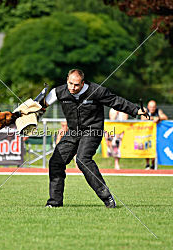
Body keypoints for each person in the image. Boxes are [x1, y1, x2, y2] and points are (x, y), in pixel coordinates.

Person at [40, 69, 147, 208]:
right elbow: (40, 105)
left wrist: (135, 110)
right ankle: (54, 203)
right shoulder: (58, 92)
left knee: (83, 160)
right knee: (56, 162)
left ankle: (106, 196)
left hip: (93, 130)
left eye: (76, 85)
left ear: (82, 83)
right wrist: (23, 114)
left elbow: (116, 101)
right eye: (70, 83)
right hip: (73, 131)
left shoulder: (96, 91)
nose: (72, 87)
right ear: (67, 80)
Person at [141, 100, 168, 170]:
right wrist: (153, 118)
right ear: (148, 107)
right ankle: (147, 164)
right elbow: (143, 118)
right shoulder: (145, 111)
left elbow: (165, 117)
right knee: (147, 148)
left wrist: (158, 118)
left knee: (154, 149)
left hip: (156, 134)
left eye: (153, 107)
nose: (152, 109)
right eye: (150, 107)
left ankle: (153, 164)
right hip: (147, 134)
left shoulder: (158, 111)